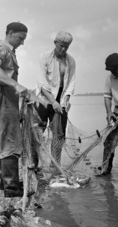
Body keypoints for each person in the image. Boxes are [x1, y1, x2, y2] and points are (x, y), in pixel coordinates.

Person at [0, 22, 38, 198]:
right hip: (2, 96)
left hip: (2, 95)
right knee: (10, 140)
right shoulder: (1, 48)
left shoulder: (9, 50)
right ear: (11, 33)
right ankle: (12, 188)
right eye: (20, 38)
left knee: (1, 139)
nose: (22, 43)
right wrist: (15, 84)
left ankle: (5, 183)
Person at [35, 31, 76, 166]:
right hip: (43, 100)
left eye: (66, 47)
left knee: (58, 135)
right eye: (61, 46)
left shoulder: (71, 61)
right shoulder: (44, 57)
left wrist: (66, 99)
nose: (63, 49)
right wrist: (53, 101)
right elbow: (42, 83)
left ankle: (55, 166)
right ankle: (34, 165)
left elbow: (71, 82)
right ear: (55, 43)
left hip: (61, 102)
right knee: (38, 133)